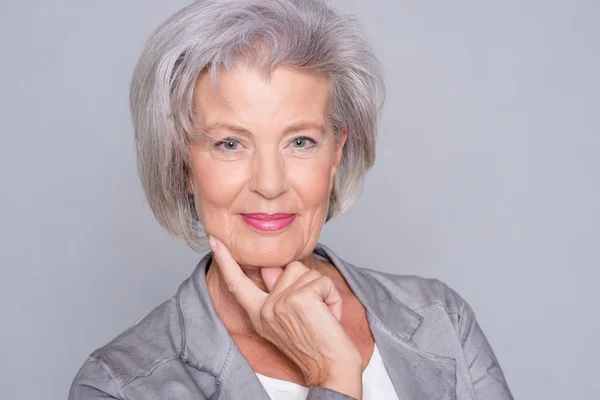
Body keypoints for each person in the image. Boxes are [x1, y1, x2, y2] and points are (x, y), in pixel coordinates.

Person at [69, 0, 514, 399]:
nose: (269, 183)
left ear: (337, 151)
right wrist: (334, 377)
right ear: (182, 162)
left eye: (300, 141)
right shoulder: (120, 385)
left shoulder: (441, 320)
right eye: (229, 144)